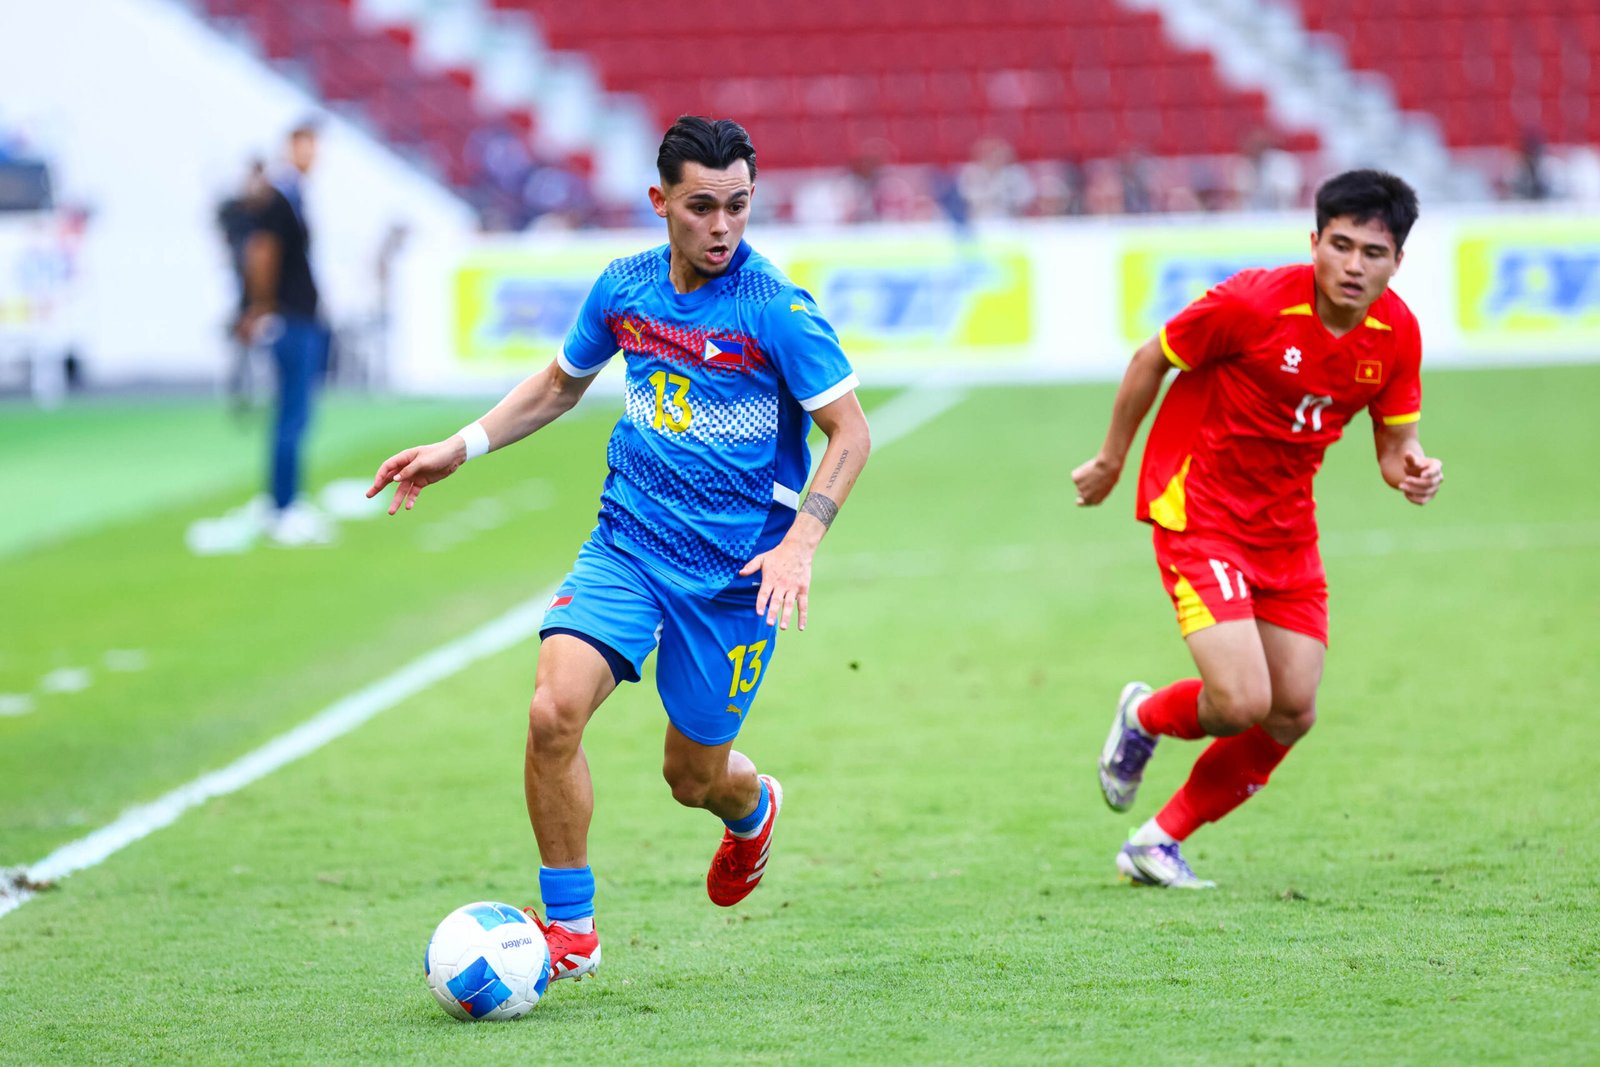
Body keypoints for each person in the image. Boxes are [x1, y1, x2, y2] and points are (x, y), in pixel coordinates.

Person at [366, 116, 871, 979]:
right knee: (550, 712)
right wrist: (463, 445)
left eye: (739, 206)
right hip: (628, 547)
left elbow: (850, 435)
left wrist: (800, 543)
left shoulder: (775, 310)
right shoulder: (625, 289)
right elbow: (561, 384)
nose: (722, 227)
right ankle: (571, 928)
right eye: (702, 206)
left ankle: (751, 809)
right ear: (660, 200)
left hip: (732, 580)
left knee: (692, 777)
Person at [1071, 169, 1444, 889]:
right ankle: (1144, 716)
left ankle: (1156, 842)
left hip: (1286, 528)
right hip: (1199, 508)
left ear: (1398, 261)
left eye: (1373, 252)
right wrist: (1113, 459)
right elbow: (1152, 358)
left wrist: (1415, 472)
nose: (1353, 264)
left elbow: (1397, 450)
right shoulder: (1252, 303)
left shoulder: (1396, 334)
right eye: (1340, 245)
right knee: (1242, 700)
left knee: (1292, 710)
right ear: (1314, 242)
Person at [238, 121, 332, 546]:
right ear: (291, 147)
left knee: (295, 413)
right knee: (292, 414)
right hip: (290, 318)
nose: (313, 154)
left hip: (301, 315)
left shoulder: (291, 196)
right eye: (307, 145)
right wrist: (261, 308)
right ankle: (283, 505)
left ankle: (283, 499)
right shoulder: (278, 198)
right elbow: (261, 253)